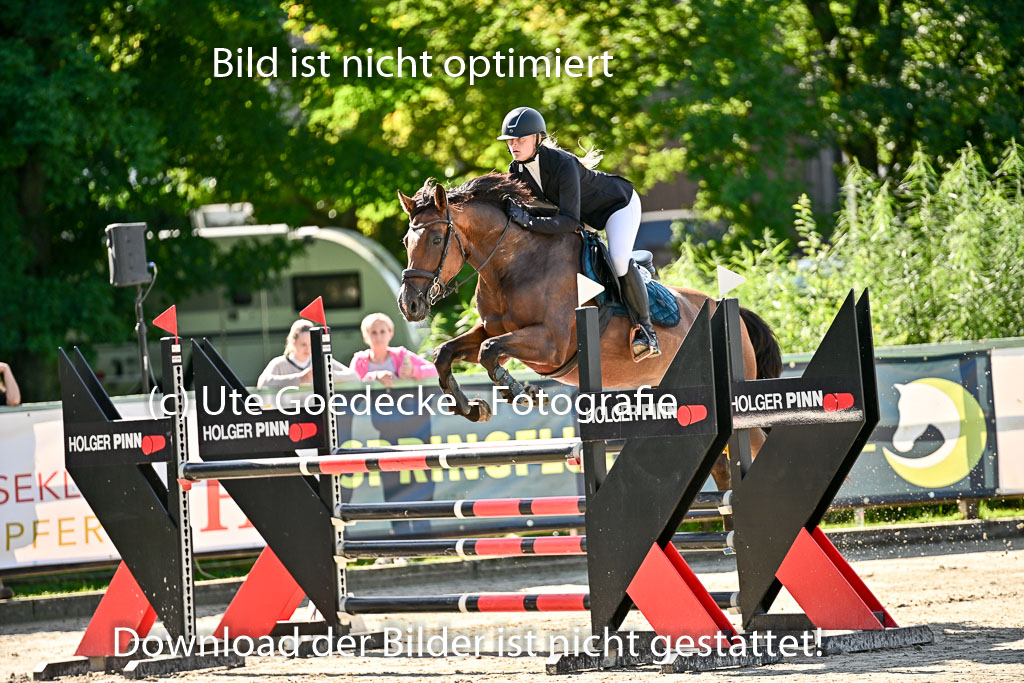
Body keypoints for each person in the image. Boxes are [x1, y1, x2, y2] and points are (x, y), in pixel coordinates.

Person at [498, 106, 660, 361]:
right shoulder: (517, 171)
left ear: (538, 138)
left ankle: (647, 331)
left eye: (521, 139)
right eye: (510, 140)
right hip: (585, 218)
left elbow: (568, 220)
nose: (514, 145)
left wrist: (528, 221)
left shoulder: (563, 164)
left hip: (617, 206)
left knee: (618, 261)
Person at [257, 319, 359, 389]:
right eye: (303, 344)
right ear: (293, 343)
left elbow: (354, 377)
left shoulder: (322, 361)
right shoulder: (279, 363)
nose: (308, 349)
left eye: (311, 344)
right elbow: (263, 383)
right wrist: (300, 378)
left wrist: (326, 375)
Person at [349, 313, 438, 388]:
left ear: (390, 332)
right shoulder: (359, 359)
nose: (378, 337)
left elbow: (435, 370)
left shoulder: (401, 354)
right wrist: (375, 376)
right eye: (373, 332)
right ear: (366, 336)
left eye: (382, 331)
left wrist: (413, 371)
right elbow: (350, 383)